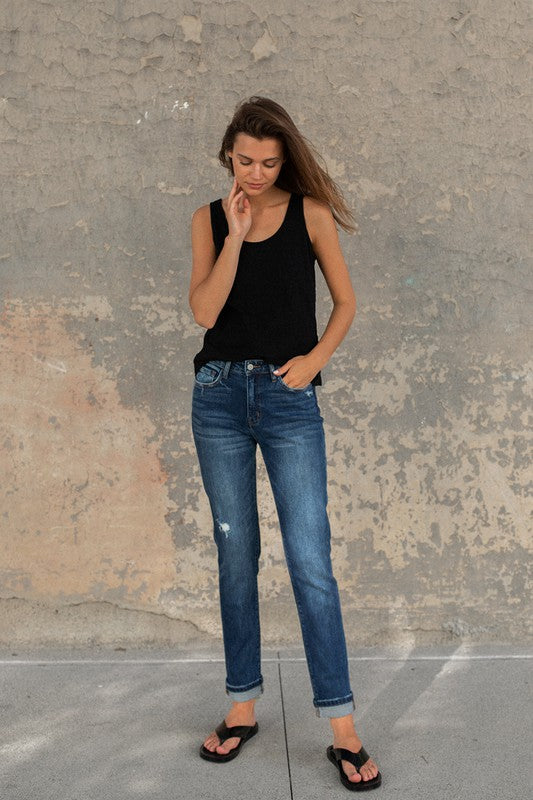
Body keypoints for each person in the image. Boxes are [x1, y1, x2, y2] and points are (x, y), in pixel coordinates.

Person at [188, 95, 382, 791]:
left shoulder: (310, 214)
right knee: (235, 552)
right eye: (244, 160)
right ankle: (242, 705)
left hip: (286, 399)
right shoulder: (209, 220)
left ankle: (341, 726)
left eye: (269, 162)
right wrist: (236, 234)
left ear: (285, 159)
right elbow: (204, 312)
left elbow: (346, 301)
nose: (256, 173)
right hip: (216, 399)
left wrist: (312, 362)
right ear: (226, 158)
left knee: (310, 557)